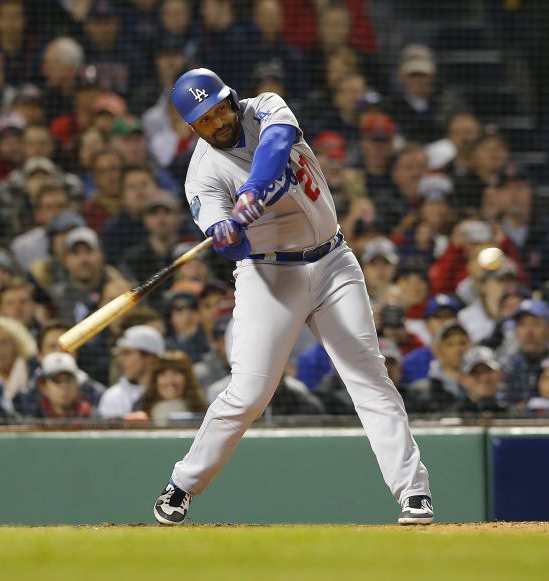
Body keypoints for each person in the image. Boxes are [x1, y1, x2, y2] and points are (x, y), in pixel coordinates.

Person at [152, 68, 433, 527]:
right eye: (205, 118)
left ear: (231, 99)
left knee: (369, 378)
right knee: (249, 393)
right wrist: (227, 235)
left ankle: (414, 493)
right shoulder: (201, 176)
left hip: (334, 261)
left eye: (220, 107)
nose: (219, 121)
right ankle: (182, 484)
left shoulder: (264, 108)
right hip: (269, 275)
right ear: (192, 129)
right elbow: (232, 248)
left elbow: (279, 143)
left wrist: (251, 193)